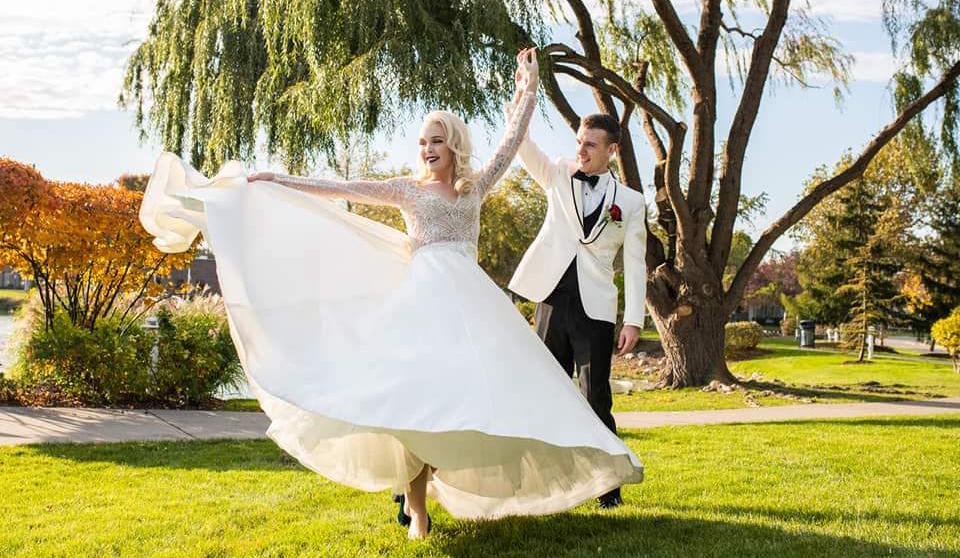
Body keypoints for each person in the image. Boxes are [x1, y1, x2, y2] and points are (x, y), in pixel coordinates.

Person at [139, 48, 642, 540]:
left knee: (466, 399)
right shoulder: (407, 189)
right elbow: (344, 188)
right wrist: (280, 180)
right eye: (423, 140)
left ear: (455, 148)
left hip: (470, 310)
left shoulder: (473, 188)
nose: (428, 148)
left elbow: (511, 143)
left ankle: (455, 476)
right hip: (420, 307)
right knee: (410, 401)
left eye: (438, 141)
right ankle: (417, 507)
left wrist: (527, 89)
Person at [506, 92, 648, 509]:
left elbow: (636, 264)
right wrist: (523, 95)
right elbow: (522, 145)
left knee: (596, 397)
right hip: (550, 300)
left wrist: (633, 320)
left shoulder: (632, 203)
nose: (580, 150)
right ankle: (538, 484)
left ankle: (608, 490)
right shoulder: (558, 175)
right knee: (544, 392)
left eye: (590, 144)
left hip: (597, 311)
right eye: (578, 142)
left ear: (611, 150)